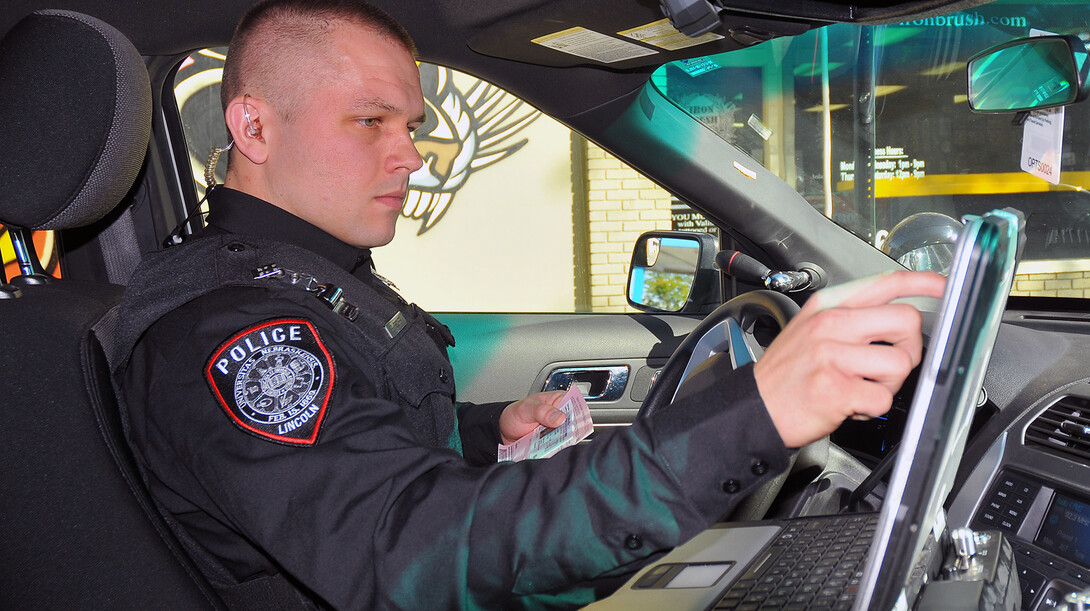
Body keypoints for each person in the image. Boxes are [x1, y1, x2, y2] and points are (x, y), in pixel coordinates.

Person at [114, 0, 948, 608]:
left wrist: (487, 427)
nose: (411, 154)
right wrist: (757, 411)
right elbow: (407, 546)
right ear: (254, 129)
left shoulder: (302, 277)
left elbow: (358, 437)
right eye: (371, 121)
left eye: (410, 122)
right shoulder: (231, 332)